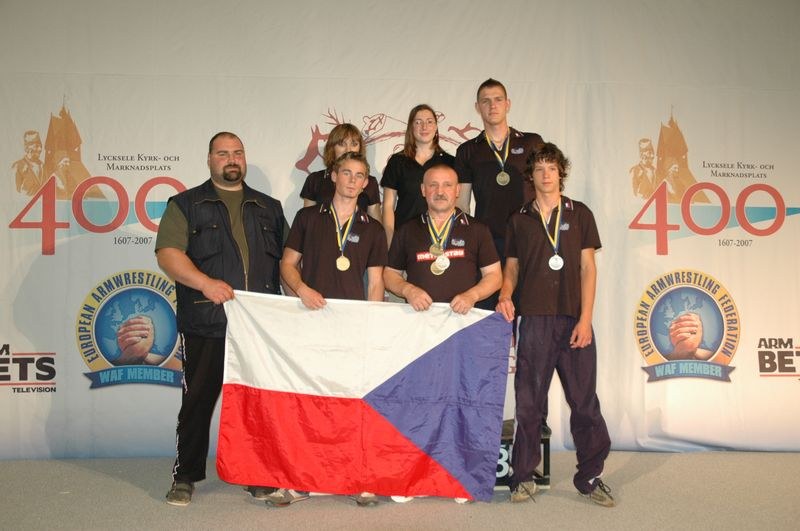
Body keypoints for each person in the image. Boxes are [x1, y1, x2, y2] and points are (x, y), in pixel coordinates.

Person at [155, 132, 285, 506]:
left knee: (254, 404)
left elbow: (287, 264)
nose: (232, 159)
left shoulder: (269, 207)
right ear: (210, 159)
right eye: (223, 153)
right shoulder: (186, 204)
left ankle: (254, 473)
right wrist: (205, 283)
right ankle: (185, 476)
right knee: (198, 401)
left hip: (258, 327)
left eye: (238, 153)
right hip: (206, 320)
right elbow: (168, 254)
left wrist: (304, 300)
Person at [496, 143, 615, 507]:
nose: (546, 174)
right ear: (530, 176)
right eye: (539, 169)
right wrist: (505, 294)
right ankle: (522, 476)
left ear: (561, 173)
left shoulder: (580, 214)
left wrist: (586, 319)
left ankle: (590, 476)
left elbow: (588, 268)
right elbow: (512, 268)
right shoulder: (519, 219)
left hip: (574, 320)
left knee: (584, 402)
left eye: (551, 168)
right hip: (533, 319)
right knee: (529, 403)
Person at [278, 151, 388, 507]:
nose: (353, 181)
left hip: (352, 327)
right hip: (312, 322)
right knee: (310, 403)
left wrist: (372, 325)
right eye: (347, 173)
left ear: (366, 183)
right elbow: (287, 264)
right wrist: (302, 289)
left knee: (353, 404)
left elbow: (376, 282)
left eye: (359, 176)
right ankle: (300, 479)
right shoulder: (308, 218)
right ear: (334, 176)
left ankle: (358, 477)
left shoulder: (373, 229)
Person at [384, 164, 501, 315]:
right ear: (423, 190)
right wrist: (408, 290)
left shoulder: (478, 230)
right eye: (433, 185)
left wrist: (472, 296)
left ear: (457, 190)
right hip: (418, 318)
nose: (440, 192)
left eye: (447, 185)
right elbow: (389, 274)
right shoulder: (407, 230)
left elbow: (494, 276)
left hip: (462, 319)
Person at [454, 78, 544, 268]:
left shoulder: (532, 142)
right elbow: (462, 204)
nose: (492, 106)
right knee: (492, 288)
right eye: (485, 101)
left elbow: (547, 187)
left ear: (507, 104)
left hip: (530, 234)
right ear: (477, 107)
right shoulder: (467, 150)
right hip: (489, 239)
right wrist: (469, 239)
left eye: (498, 99)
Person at [380, 104, 455, 245]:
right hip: (405, 238)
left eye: (429, 122)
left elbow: (455, 203)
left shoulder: (450, 162)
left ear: (436, 127)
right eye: (418, 122)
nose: (424, 127)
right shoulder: (397, 162)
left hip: (441, 238)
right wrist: (390, 242)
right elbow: (388, 206)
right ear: (411, 128)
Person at [300, 123, 382, 221]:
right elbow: (306, 221)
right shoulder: (315, 180)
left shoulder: (369, 182)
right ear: (332, 147)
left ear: (360, 148)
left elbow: (376, 225)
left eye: (354, 144)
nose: (348, 150)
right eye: (342, 144)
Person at [13, 130, 44, 195]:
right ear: (27, 147)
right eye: (36, 146)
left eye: (40, 145)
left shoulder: (43, 166)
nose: (40, 149)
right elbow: (14, 194)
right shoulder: (17, 167)